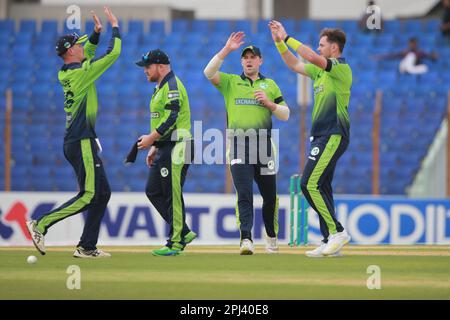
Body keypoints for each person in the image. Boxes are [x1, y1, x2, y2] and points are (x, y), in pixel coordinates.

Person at [25, 7, 121, 258]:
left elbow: (87, 52)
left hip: (76, 140)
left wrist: (96, 34)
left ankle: (87, 246)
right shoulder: (81, 74)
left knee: (103, 193)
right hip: (81, 140)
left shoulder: (67, 71)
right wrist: (115, 28)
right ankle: (41, 224)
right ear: (70, 51)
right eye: (78, 44)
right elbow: (113, 55)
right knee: (90, 194)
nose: (83, 46)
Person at [269, 20, 351, 257]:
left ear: (334, 49)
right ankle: (330, 242)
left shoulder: (340, 69)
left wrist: (287, 37)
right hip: (321, 137)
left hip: (334, 134)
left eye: (322, 45)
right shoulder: (321, 73)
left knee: (308, 184)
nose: (318, 48)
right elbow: (295, 64)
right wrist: (279, 44)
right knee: (322, 186)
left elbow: (311, 57)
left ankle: (338, 232)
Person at [203, 32, 290, 255]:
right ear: (241, 61)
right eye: (245, 57)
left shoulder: (270, 84)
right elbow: (208, 72)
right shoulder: (231, 82)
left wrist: (270, 104)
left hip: (264, 147)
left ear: (260, 61)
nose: (249, 60)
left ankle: (271, 237)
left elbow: (286, 114)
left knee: (270, 197)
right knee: (244, 193)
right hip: (239, 146)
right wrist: (226, 50)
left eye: (253, 57)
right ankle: (246, 239)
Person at [135, 49, 196, 256]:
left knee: (172, 193)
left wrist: (152, 138)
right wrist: (155, 145)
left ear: (161, 66)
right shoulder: (159, 87)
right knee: (152, 190)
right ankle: (184, 231)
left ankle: (176, 241)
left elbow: (172, 117)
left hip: (179, 145)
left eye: (148, 66)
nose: (145, 70)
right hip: (165, 146)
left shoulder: (171, 86)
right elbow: (163, 119)